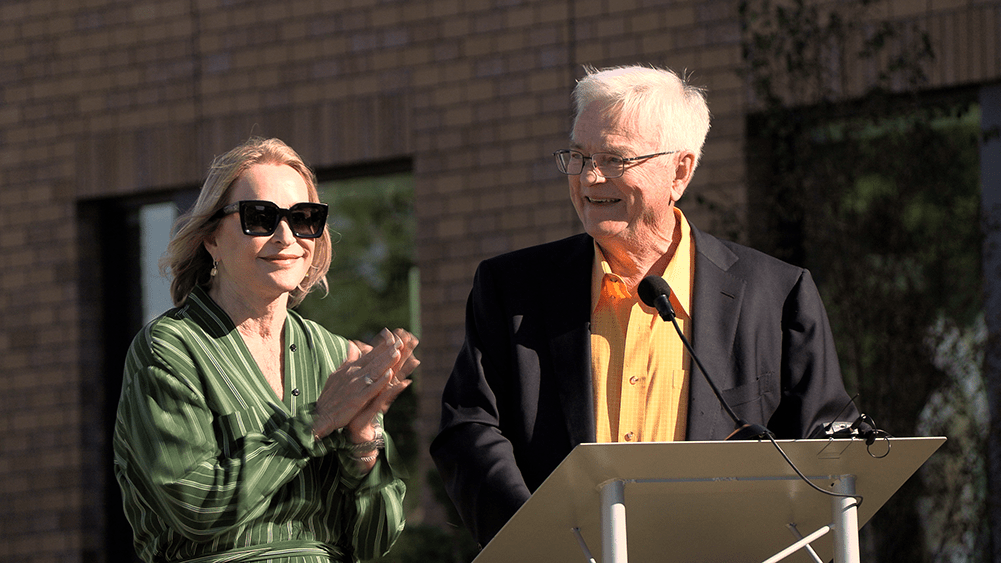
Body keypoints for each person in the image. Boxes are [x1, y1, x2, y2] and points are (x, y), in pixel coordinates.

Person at [430, 65, 858, 547]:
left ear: (680, 170)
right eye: (579, 156)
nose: (590, 177)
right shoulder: (512, 289)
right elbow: (469, 431)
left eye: (614, 158)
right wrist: (543, 542)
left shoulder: (776, 296)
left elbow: (825, 446)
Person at [113, 137, 419, 563]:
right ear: (211, 239)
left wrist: (363, 444)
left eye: (305, 218)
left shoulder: (336, 357)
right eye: (260, 217)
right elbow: (197, 507)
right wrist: (318, 421)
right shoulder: (170, 349)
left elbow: (375, 540)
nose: (286, 235)